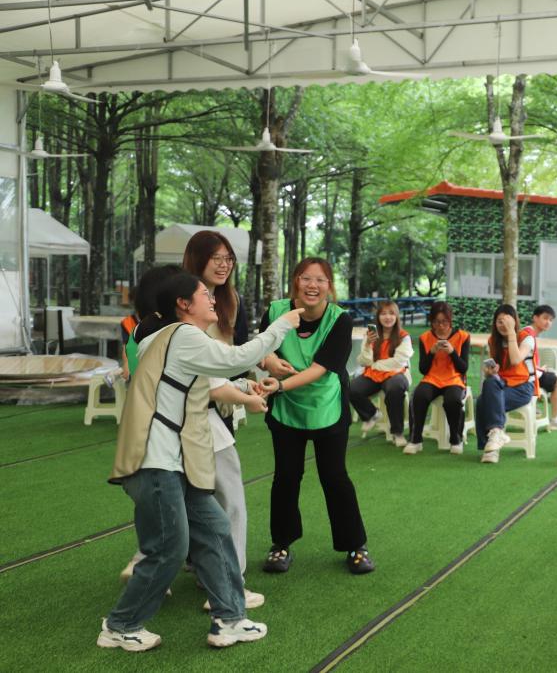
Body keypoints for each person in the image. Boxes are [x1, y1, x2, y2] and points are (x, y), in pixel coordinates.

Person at [98, 270, 302, 652]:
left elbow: (209, 383)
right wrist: (282, 325)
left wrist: (243, 388)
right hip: (157, 461)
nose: (212, 298)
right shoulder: (182, 335)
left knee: (214, 528)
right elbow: (236, 358)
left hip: (171, 461)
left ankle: (230, 619)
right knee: (169, 548)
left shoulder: (164, 338)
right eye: (204, 293)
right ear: (183, 304)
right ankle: (120, 625)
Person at [258, 258, 374, 575]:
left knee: (334, 477)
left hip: (327, 406)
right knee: (286, 477)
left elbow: (321, 368)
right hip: (286, 409)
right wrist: (269, 360)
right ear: (295, 281)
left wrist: (280, 384)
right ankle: (281, 544)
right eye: (306, 278)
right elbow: (261, 345)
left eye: (320, 280)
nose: (313, 285)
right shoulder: (275, 311)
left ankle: (355, 545)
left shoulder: (340, 320)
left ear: (329, 286)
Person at [407, 301, 472, 455]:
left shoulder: (463, 336)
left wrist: (452, 352)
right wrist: (431, 353)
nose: (440, 326)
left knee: (453, 400)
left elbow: (463, 368)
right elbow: (423, 369)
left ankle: (455, 439)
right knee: (419, 396)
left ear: (450, 320)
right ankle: (416, 440)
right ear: (431, 321)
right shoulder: (425, 338)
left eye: (444, 322)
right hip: (432, 378)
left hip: (454, 379)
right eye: (436, 322)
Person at [475, 304, 537, 464]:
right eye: (500, 321)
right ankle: (494, 439)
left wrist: (511, 333)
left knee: (483, 401)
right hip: (502, 384)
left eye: (507, 321)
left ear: (515, 321)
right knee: (487, 386)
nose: (503, 325)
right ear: (494, 323)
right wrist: (490, 372)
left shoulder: (526, 337)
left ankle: (492, 446)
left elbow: (516, 359)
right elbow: (496, 372)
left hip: (523, 387)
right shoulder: (493, 341)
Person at [350, 300, 413, 447]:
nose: (387, 317)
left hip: (397, 373)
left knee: (394, 389)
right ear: (378, 317)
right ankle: (372, 414)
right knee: (351, 388)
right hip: (374, 374)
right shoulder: (371, 335)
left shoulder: (404, 336)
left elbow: (398, 362)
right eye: (383, 313)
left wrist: (375, 364)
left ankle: (397, 433)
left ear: (397, 316)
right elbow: (364, 361)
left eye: (391, 313)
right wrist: (367, 344)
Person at [522, 305, 557, 430]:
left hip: (527, 374)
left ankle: (535, 407)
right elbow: (521, 360)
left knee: (551, 373)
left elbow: (525, 359)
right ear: (535, 318)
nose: (548, 322)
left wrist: (539, 368)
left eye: (551, 320)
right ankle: (555, 420)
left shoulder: (528, 332)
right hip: (525, 377)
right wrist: (539, 370)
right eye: (545, 318)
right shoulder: (528, 335)